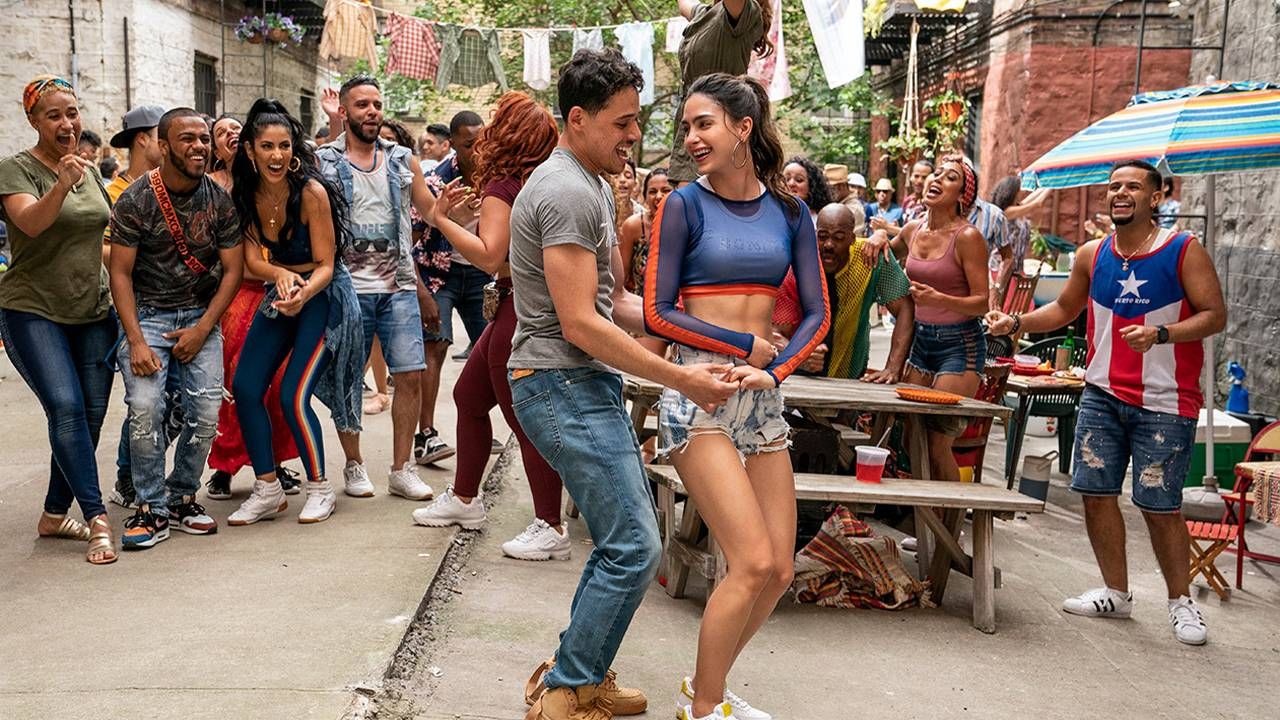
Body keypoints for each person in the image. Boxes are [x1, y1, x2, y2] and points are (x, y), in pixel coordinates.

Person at [513, 50, 738, 720]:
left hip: (573, 383)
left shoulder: (585, 184)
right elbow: (581, 325)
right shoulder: (565, 192)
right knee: (636, 546)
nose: (635, 135)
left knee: (623, 542)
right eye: (622, 122)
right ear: (577, 120)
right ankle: (564, 696)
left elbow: (610, 304)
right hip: (559, 383)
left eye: (636, 120)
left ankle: (579, 676)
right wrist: (681, 378)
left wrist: (719, 338)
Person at [645, 72, 828, 720]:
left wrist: (773, 373)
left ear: (743, 128)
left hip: (760, 397)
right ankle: (707, 709)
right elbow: (658, 312)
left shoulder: (790, 213)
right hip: (699, 390)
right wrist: (740, 345)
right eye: (688, 126)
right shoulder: (683, 206)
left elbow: (816, 314)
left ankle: (702, 689)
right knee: (749, 561)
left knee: (778, 569)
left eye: (704, 124)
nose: (691, 138)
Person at [986, 160, 1225, 646]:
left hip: (1166, 400)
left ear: (1155, 197)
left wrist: (1162, 334)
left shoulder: (1183, 249)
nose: (1119, 193)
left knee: (1160, 506)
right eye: (1114, 186)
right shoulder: (1092, 253)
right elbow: (1064, 309)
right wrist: (1014, 324)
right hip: (1100, 393)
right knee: (1095, 495)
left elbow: (1214, 315)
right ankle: (1116, 592)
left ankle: (1181, 603)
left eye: (1132, 186)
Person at [409, 92, 570, 561]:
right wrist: (465, 220)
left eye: (498, 122)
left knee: (523, 419)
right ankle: (464, 499)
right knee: (468, 397)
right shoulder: (536, 181)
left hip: (517, 305)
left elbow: (489, 256)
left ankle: (551, 524)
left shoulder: (502, 185)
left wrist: (441, 218)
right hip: (519, 304)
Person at [108, 107, 244, 549]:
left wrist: (204, 328)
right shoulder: (135, 200)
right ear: (163, 147)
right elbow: (121, 275)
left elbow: (232, 272)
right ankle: (150, 507)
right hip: (147, 317)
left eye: (204, 138)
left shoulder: (220, 201)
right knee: (146, 408)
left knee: (205, 415)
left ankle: (183, 494)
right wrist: (134, 341)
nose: (199, 146)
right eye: (187, 139)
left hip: (200, 318)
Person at [226, 98, 364, 526]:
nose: (277, 156)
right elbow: (253, 262)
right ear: (250, 150)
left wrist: (300, 290)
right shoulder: (246, 192)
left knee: (292, 395)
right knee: (246, 387)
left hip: (324, 296)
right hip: (284, 292)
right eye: (267, 146)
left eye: (284, 146)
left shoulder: (311, 192)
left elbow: (327, 264)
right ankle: (267, 489)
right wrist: (281, 275)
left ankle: (320, 488)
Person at [0, 76, 117, 564]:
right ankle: (97, 519)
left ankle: (53, 514)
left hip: (93, 309)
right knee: (66, 408)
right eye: (54, 115)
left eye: (71, 112)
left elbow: (102, 241)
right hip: (33, 310)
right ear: (33, 121)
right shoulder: (15, 170)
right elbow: (31, 223)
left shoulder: (88, 171)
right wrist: (63, 184)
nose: (67, 123)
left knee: (87, 419)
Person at [316, 75, 437, 502]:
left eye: (377, 104)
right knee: (348, 378)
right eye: (362, 105)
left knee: (410, 375)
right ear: (345, 111)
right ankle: (354, 464)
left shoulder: (403, 158)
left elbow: (428, 209)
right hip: (347, 289)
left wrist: (448, 212)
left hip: (397, 285)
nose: (372, 111)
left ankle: (402, 469)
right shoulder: (324, 160)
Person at [204, 112, 302, 500]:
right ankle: (223, 468)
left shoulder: (269, 183)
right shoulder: (210, 185)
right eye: (220, 131)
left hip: (271, 290)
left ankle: (273, 464)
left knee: (275, 384)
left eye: (235, 127)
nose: (229, 133)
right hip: (230, 295)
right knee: (230, 386)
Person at [101, 103, 168, 510]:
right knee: (145, 400)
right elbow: (106, 251)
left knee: (173, 399)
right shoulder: (113, 192)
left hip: (172, 304)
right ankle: (130, 479)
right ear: (144, 139)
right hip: (132, 306)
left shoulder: (174, 184)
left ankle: (141, 476)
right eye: (165, 134)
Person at [414, 110, 489, 465]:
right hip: (438, 275)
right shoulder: (437, 180)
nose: (478, 149)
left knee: (493, 351)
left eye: (482, 141)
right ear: (453, 146)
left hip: (479, 274)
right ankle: (425, 435)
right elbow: (412, 238)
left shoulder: (496, 177)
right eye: (469, 144)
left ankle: (481, 430)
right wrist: (421, 292)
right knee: (436, 347)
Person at [774, 203, 914, 382]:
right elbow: (772, 331)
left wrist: (892, 368)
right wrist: (798, 356)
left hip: (850, 374)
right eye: (822, 237)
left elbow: (905, 307)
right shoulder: (796, 265)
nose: (829, 245)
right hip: (795, 376)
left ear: (852, 239)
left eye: (839, 238)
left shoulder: (869, 259)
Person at [671, 0, 770, 185]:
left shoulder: (739, 12)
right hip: (692, 127)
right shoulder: (703, 13)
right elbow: (684, 4)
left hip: (720, 131)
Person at [989, 176, 1051, 289]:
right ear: (1012, 192)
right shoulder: (1006, 213)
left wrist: (1050, 181)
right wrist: (1054, 184)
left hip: (1016, 270)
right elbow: (1038, 203)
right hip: (1001, 271)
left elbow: (1034, 196)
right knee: (1007, 305)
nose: (1022, 191)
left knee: (1021, 305)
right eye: (1020, 189)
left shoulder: (1016, 208)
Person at [618, 167, 672, 294]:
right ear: (645, 197)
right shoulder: (633, 226)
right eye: (652, 192)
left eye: (666, 190)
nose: (659, 196)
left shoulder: (687, 226)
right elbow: (622, 279)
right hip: (639, 306)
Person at [967, 193, 1013, 310]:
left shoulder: (993, 215)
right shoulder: (930, 214)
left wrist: (997, 288)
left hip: (978, 296)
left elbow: (1007, 256)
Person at [782, 155, 832, 225]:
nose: (791, 184)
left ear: (812, 186)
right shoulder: (770, 213)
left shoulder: (821, 220)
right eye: (786, 179)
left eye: (799, 180)